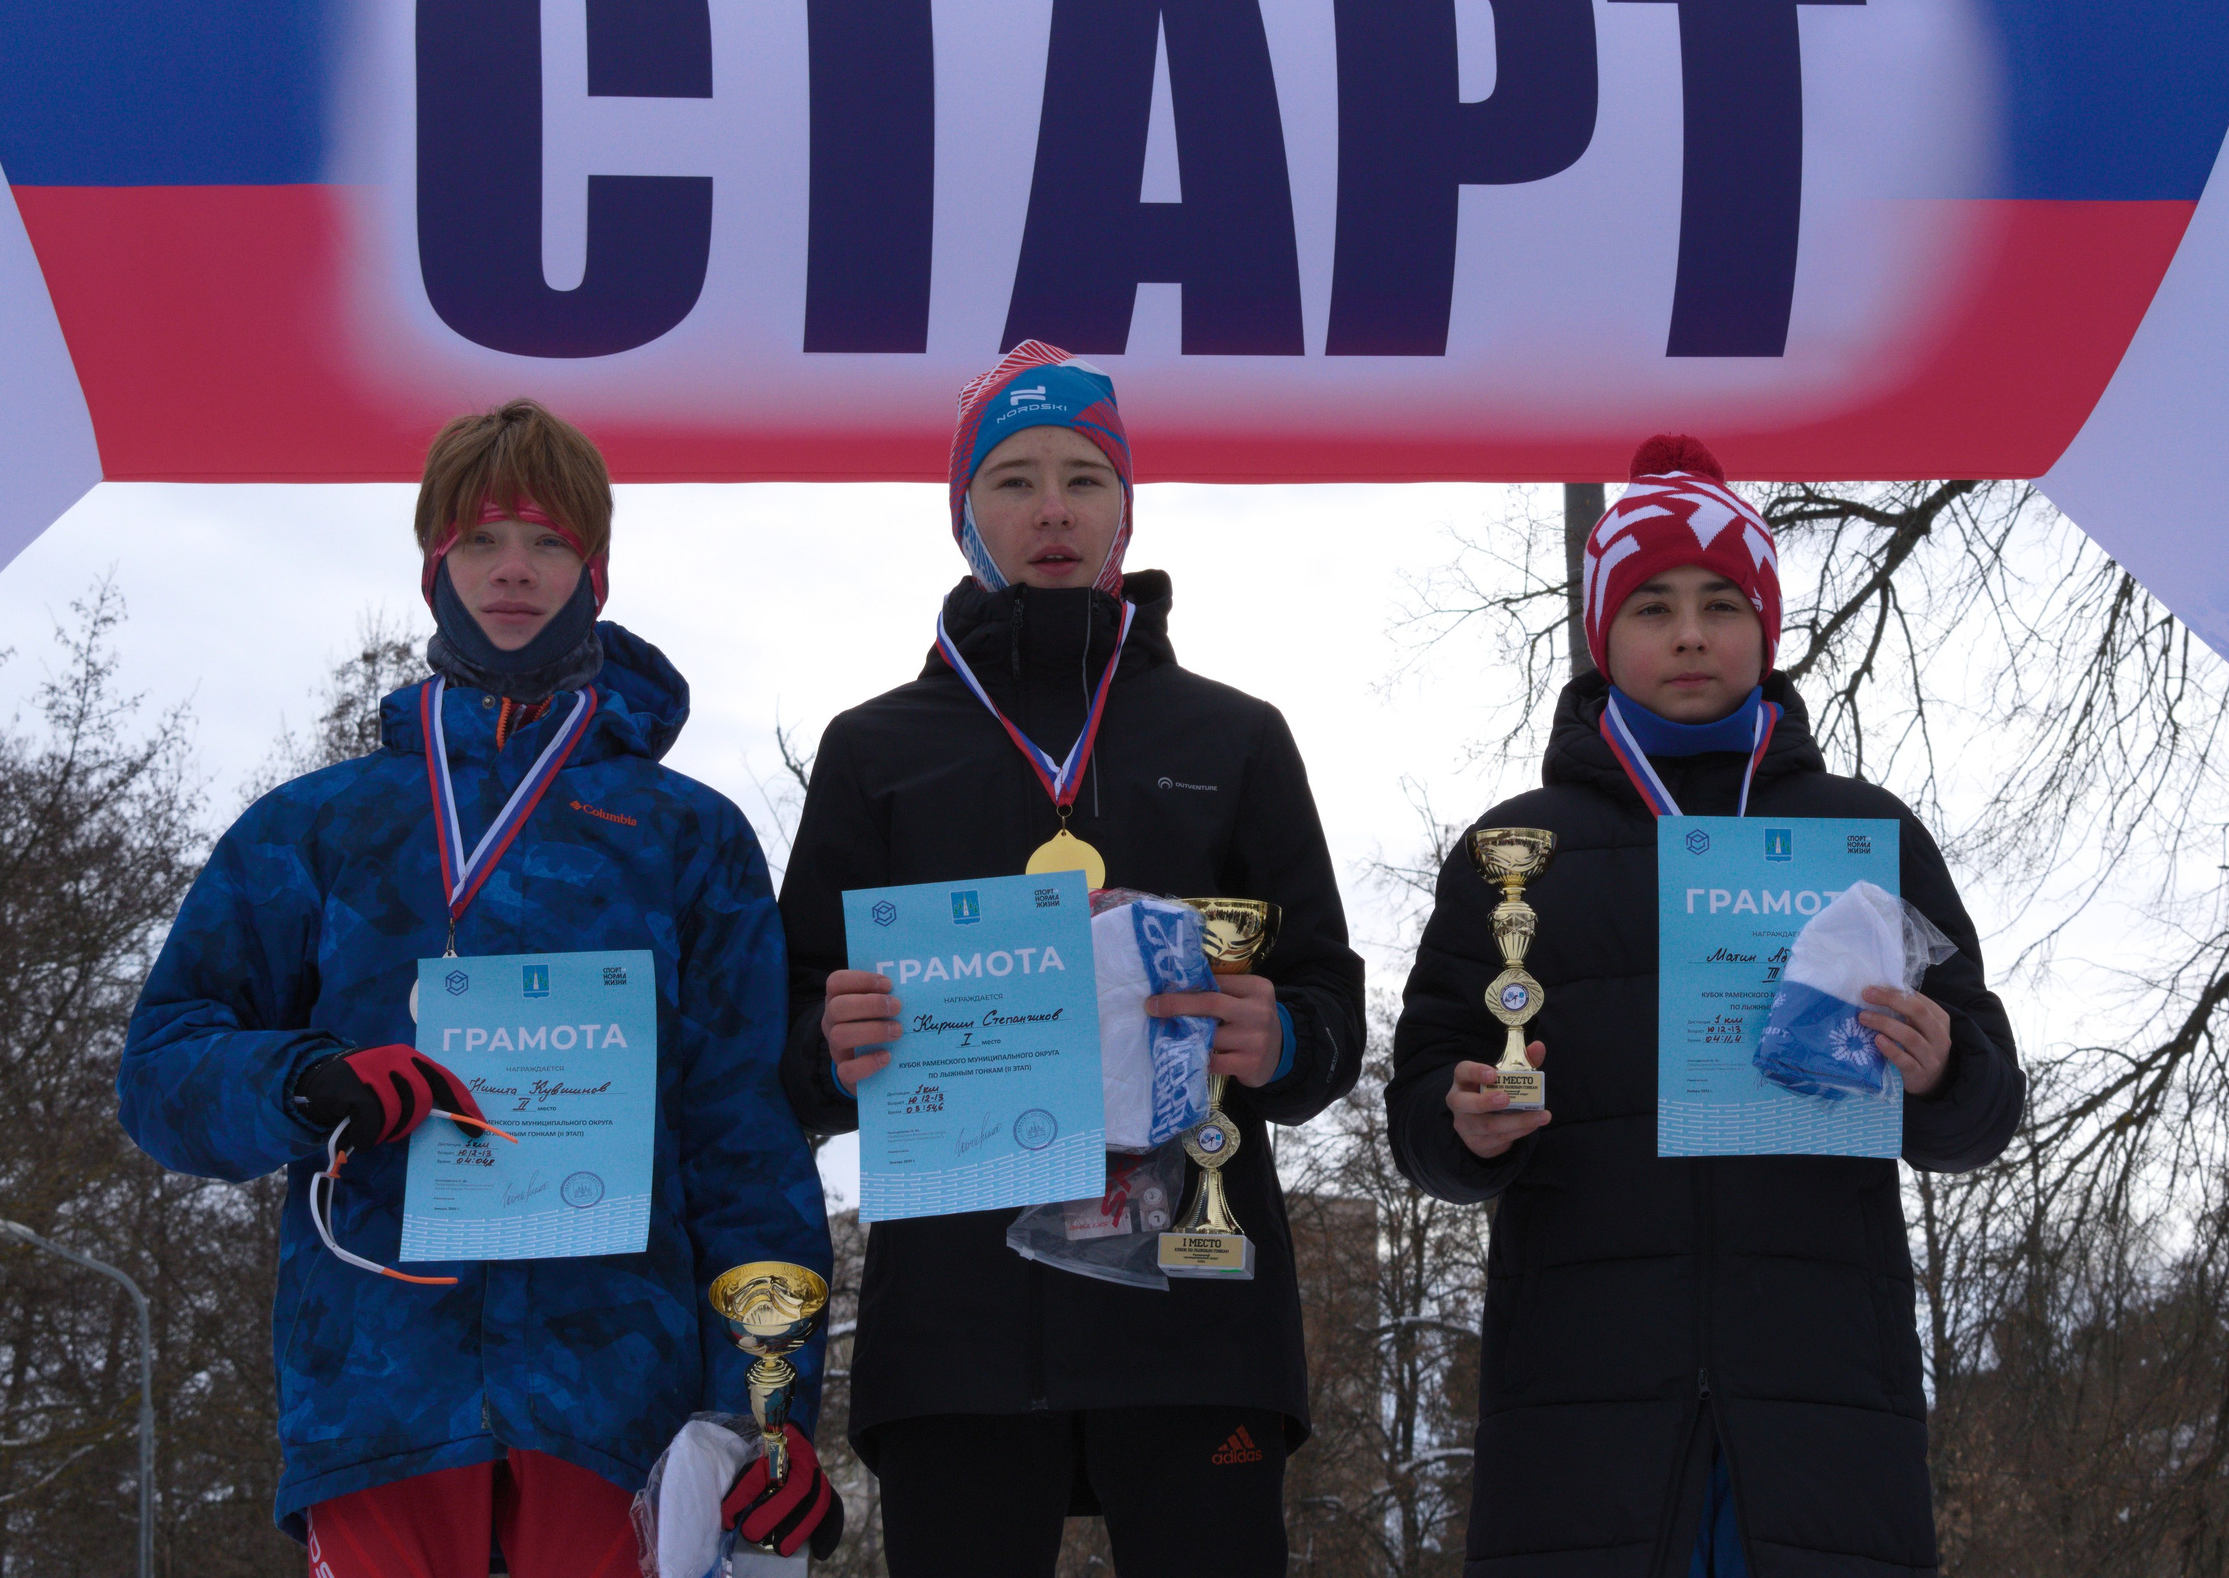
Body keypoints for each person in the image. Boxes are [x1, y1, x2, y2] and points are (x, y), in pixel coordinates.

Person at [118, 400, 835, 1577]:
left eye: (549, 542)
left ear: (594, 571)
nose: (515, 569)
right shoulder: (320, 826)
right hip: (380, 1392)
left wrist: (769, 1408)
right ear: (430, 564)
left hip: (615, 1403)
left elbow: (744, 1147)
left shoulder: (683, 839)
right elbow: (159, 1072)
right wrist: (304, 1078)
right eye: (482, 538)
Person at [775, 342, 1366, 1577]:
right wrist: (830, 1051)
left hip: (1195, 1310)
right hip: (956, 1329)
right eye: (1014, 479)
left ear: (1125, 508)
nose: (1052, 510)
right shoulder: (875, 749)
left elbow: (1329, 1006)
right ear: (963, 513)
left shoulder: (1235, 736)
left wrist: (1284, 1037)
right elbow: (787, 1042)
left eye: (1086, 479)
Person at [1388, 436, 2025, 1578]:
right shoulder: (1511, 852)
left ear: (1764, 629)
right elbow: (1422, 1105)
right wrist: (1458, 1119)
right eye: (1652, 606)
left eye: (1721, 602)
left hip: (1820, 1378)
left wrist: (1941, 1070)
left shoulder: (1862, 835)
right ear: (1602, 636)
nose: (1689, 633)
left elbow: (1983, 1107)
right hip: (1583, 1382)